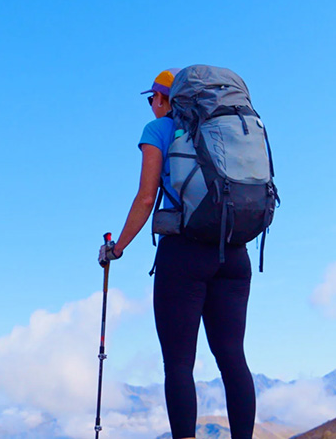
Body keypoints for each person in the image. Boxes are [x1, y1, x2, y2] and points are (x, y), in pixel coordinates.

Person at [98, 69, 257, 439]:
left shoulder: (158, 131)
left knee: (179, 365)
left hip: (183, 254)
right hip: (233, 251)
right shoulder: (227, 128)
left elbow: (145, 198)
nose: (151, 104)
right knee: (233, 358)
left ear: (164, 99)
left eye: (152, 97)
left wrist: (117, 248)